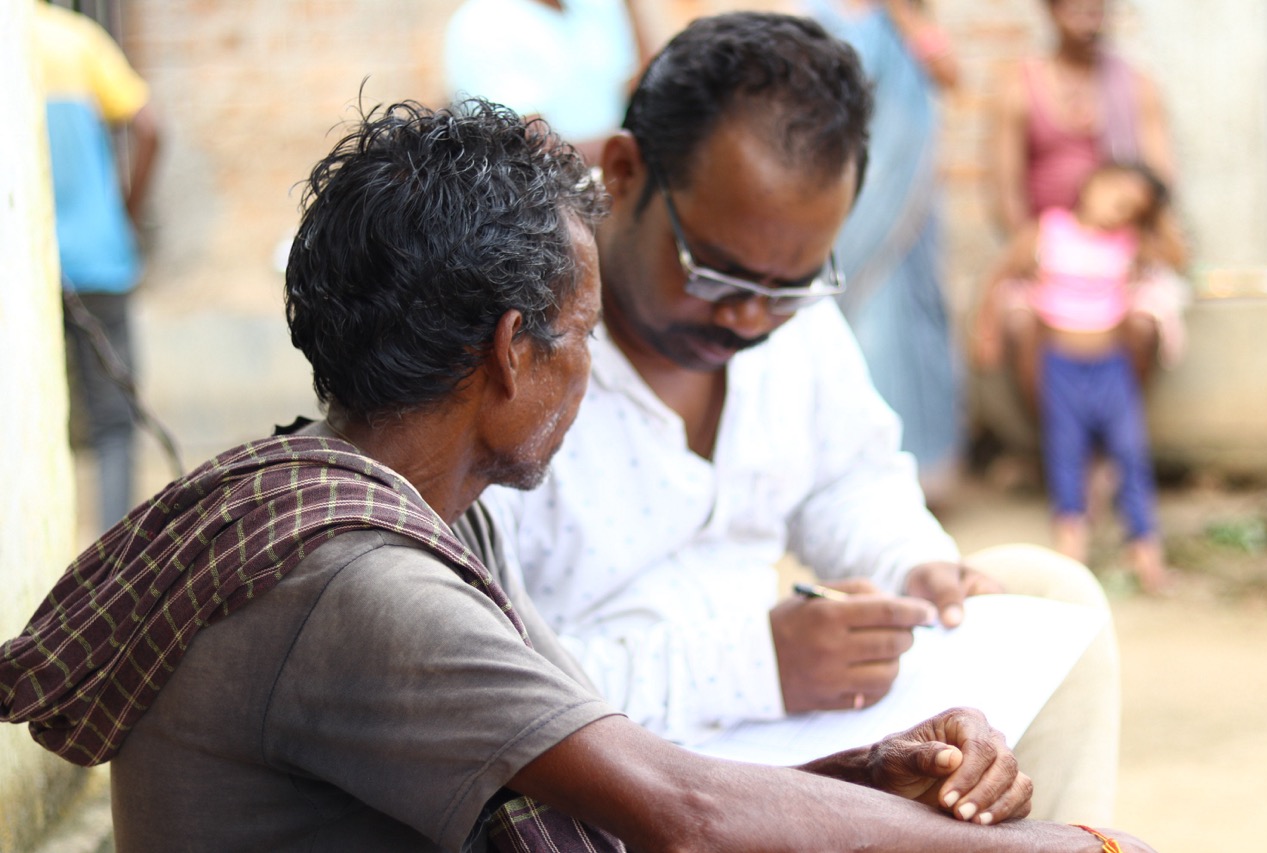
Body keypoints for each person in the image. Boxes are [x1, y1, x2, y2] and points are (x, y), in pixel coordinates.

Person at [0, 96, 1158, 853]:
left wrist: (870, 770)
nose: (596, 366)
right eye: (582, 331)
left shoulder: (400, 509)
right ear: (513, 351)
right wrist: (1055, 846)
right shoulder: (359, 588)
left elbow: (619, 784)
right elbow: (683, 814)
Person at [482, 11, 1122, 824]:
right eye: (714, 273)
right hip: (626, 786)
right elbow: (493, 686)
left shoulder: (791, 316)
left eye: (790, 285)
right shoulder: (517, 371)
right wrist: (757, 663)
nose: (751, 316)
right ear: (623, 172)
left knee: (1045, 593)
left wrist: (914, 567)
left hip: (798, 727)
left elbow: (851, 480)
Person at [975, 162, 1180, 593]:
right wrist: (988, 333)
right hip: (1061, 367)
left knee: (1130, 454)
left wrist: (1157, 215)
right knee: (1065, 454)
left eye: (1132, 210)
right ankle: (1073, 560)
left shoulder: (1129, 243)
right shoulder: (1048, 232)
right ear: (1091, 185)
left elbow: (1177, 258)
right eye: (1116, 198)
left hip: (1112, 369)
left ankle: (1146, 554)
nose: (1118, 213)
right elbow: (1001, 276)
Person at [985, 0, 1188, 412]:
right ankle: (1060, 445)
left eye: (1097, 10)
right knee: (1024, 323)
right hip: (1049, 252)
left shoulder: (1134, 86)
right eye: (1077, 9)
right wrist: (1042, 251)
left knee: (1143, 321)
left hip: (1122, 252)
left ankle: (1114, 441)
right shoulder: (1021, 87)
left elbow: (1160, 183)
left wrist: (1139, 250)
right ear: (1050, 11)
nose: (1088, 20)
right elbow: (1006, 192)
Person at [806, 0, 963, 505]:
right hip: (848, 206)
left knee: (913, 326)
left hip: (905, 215)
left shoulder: (904, 17)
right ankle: (854, 484)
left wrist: (908, 20)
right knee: (862, 333)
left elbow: (949, 76)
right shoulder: (818, 14)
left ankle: (925, 469)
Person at [34, 0, 161, 532]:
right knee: (113, 422)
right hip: (96, 258)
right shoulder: (74, 40)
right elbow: (150, 127)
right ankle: (111, 566)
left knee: (39, 423)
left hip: (31, 272)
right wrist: (124, 216)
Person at [444, 0, 645, 164]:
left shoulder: (598, 7)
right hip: (557, 202)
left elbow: (642, 88)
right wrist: (642, 146)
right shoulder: (484, 25)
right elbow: (532, 153)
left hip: (617, 177)